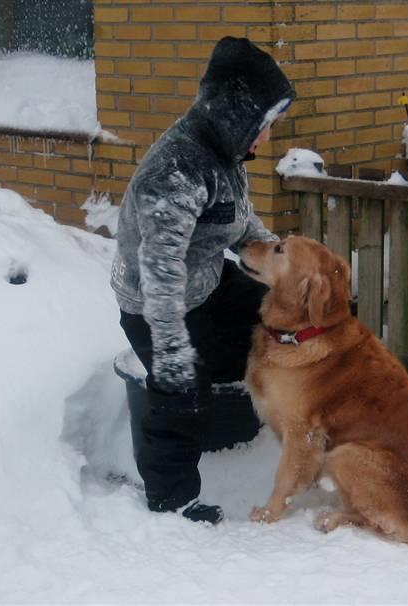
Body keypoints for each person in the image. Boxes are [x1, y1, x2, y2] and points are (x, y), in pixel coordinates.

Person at [110, 37, 295, 524]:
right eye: (266, 124)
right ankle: (171, 501)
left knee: (277, 316)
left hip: (206, 284)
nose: (268, 136)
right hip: (156, 302)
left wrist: (285, 269)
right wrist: (172, 348)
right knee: (182, 389)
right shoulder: (177, 171)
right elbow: (159, 271)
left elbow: (241, 225)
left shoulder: (225, 155)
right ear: (238, 115)